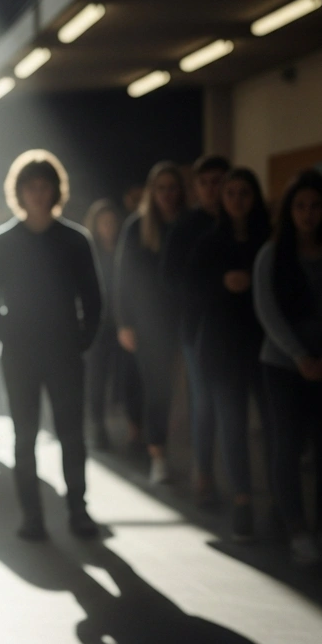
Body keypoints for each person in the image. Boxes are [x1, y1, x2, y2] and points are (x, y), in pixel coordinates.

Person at [0, 150, 103, 541]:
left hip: (65, 353)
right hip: (19, 357)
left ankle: (78, 510)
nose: (37, 193)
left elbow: (93, 298)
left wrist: (81, 340)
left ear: (54, 190)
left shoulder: (75, 239)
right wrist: (8, 338)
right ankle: (32, 516)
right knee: (25, 436)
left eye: (44, 186)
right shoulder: (3, 240)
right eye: (30, 186)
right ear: (19, 191)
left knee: (71, 434)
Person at [253, 170, 322, 564]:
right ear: (289, 211)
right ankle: (295, 527)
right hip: (282, 363)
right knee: (288, 444)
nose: (308, 214)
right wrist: (299, 356)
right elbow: (267, 311)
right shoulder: (272, 253)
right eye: (300, 206)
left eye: (315, 206)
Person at [188, 167, 272, 542]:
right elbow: (189, 292)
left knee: (273, 426)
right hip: (221, 345)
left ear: (255, 198)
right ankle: (242, 500)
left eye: (244, 193)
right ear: (222, 199)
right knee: (233, 425)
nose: (237, 200)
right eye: (231, 193)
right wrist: (222, 283)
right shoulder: (208, 242)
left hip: (265, 345)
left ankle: (280, 502)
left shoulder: (269, 240)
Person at [162, 154, 229, 503]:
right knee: (205, 404)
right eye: (205, 183)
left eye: (219, 181)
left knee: (232, 407)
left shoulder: (243, 222)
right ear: (197, 188)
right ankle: (203, 472)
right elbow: (172, 279)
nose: (212, 189)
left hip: (239, 332)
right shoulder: (186, 227)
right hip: (198, 329)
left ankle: (240, 482)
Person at [115, 162, 187, 485]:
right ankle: (158, 452)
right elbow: (123, 278)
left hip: (187, 320)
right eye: (161, 188)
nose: (167, 195)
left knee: (187, 393)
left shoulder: (189, 223)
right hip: (149, 324)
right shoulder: (137, 227)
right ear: (151, 192)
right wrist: (125, 322)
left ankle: (190, 456)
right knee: (158, 390)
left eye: (173, 188)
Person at [84, 198, 141, 450]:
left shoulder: (127, 249)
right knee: (96, 378)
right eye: (103, 222)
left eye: (111, 222)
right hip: (98, 324)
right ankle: (98, 427)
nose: (108, 227)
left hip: (124, 323)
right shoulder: (88, 251)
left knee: (130, 377)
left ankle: (135, 430)